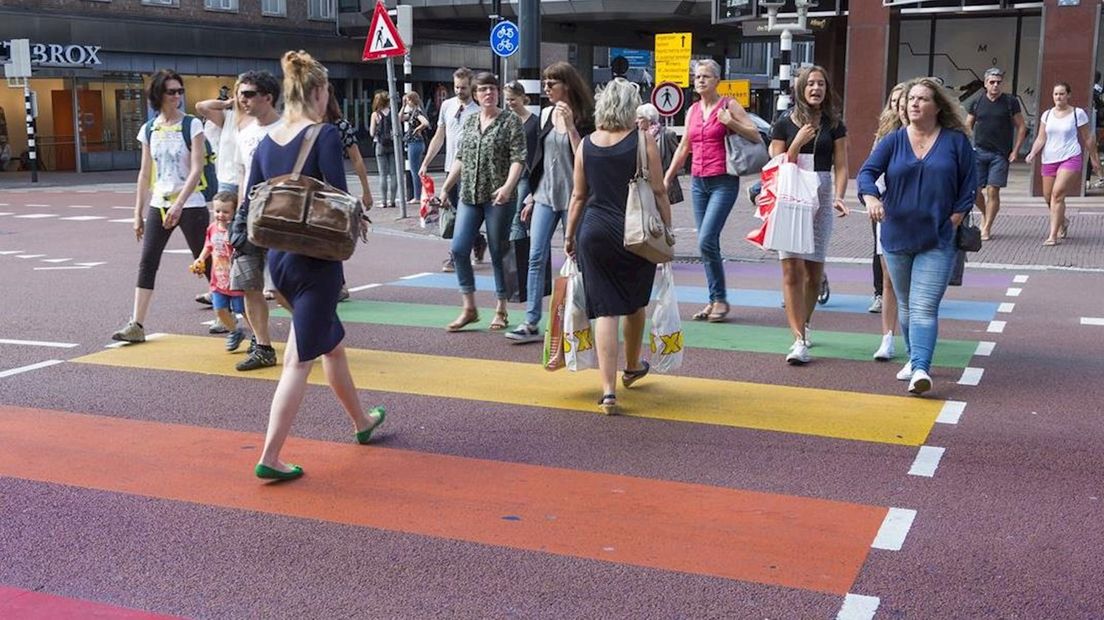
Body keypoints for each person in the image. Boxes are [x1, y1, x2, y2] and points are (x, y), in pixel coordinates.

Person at [247, 50, 385, 481]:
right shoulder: (323, 136)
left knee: (331, 344)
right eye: (328, 91)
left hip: (281, 263)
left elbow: (252, 197)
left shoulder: (266, 142)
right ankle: (270, 455)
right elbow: (338, 200)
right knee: (298, 361)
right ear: (319, 91)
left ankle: (362, 422)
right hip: (318, 264)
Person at [858, 77, 977, 396]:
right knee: (908, 305)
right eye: (911, 99)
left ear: (938, 106)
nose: (914, 104)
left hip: (938, 237)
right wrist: (870, 198)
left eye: (922, 99)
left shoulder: (955, 141)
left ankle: (921, 368)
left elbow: (969, 184)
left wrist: (956, 216)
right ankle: (915, 359)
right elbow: (867, 172)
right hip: (896, 236)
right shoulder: (893, 141)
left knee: (924, 305)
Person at [565, 77, 672, 415]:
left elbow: (578, 196)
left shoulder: (585, 144)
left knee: (605, 310)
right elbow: (658, 191)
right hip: (635, 233)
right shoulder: (642, 141)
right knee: (635, 300)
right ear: (630, 108)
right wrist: (667, 229)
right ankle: (632, 365)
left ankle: (608, 392)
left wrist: (569, 236)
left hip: (593, 231)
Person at [111, 69, 209, 343]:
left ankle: (237, 320)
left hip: (190, 203)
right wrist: (137, 214)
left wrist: (179, 205)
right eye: (171, 91)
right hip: (159, 202)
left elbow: (197, 168)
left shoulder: (193, 125)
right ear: (158, 95)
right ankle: (137, 324)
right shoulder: (149, 129)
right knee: (147, 262)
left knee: (208, 263)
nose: (177, 96)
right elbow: (144, 173)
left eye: (180, 91)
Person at [662, 59, 761, 324]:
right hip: (698, 183)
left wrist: (732, 122)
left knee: (705, 239)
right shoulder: (693, 110)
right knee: (709, 244)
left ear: (717, 80)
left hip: (723, 182)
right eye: (697, 77)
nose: (700, 81)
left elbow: (755, 135)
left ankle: (720, 299)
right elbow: (684, 147)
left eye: (706, 76)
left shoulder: (729, 105)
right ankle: (714, 299)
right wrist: (668, 177)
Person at [768, 65, 850, 365]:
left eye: (821, 84)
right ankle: (798, 339)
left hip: (821, 193)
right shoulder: (783, 123)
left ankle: (805, 322)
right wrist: (798, 141)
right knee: (791, 270)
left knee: (813, 271)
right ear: (800, 88)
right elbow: (776, 163)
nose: (816, 89)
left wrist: (839, 196)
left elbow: (841, 165)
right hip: (790, 194)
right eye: (811, 84)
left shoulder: (835, 125)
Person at [507, 63, 593, 343]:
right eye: (544, 83)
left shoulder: (584, 115)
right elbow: (541, 158)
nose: (546, 88)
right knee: (535, 257)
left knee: (577, 257)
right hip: (544, 194)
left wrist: (570, 128)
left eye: (551, 83)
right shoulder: (545, 113)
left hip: (574, 197)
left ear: (566, 85)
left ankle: (579, 318)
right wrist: (531, 194)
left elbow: (585, 155)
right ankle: (531, 321)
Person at [436, 72, 526, 332]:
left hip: (498, 197)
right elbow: (461, 158)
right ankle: (469, 307)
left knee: (498, 251)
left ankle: (501, 308)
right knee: (459, 248)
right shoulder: (471, 121)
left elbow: (518, 158)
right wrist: (445, 189)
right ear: (475, 95)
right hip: (469, 196)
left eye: (493, 89)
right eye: (484, 89)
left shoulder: (510, 121)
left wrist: (508, 187)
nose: (489, 93)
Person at [228, 70, 284, 372]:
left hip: (281, 217)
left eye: (248, 94)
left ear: (268, 96)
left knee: (282, 287)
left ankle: (316, 336)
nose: (242, 99)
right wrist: (237, 215)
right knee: (248, 283)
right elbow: (241, 175)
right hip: (249, 216)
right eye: (240, 93)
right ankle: (263, 346)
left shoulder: (288, 129)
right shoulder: (244, 132)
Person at [419, 67, 483, 272]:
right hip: (450, 167)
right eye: (456, 87)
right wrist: (426, 161)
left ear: (471, 86)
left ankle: (456, 255)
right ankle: (478, 240)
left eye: (463, 88)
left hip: (470, 170)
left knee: (464, 213)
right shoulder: (447, 106)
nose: (459, 91)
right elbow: (440, 136)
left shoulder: (479, 111)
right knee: (453, 212)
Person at [1026, 81, 1102, 245]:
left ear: (1068, 95)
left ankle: (1053, 235)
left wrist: (1094, 159)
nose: (1058, 97)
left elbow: (1088, 137)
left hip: (1071, 157)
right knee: (1048, 197)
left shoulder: (1078, 113)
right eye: (1056, 94)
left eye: (1062, 93)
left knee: (1057, 194)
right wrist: (1033, 153)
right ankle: (1063, 221)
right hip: (1049, 159)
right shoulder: (1047, 115)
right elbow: (1041, 137)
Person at [869, 83, 908, 362]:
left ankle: (915, 341)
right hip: (888, 210)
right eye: (895, 102)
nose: (901, 107)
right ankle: (887, 339)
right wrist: (871, 198)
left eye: (904, 101)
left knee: (914, 283)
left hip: (921, 215)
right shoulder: (886, 137)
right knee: (889, 279)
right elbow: (869, 172)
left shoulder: (934, 136)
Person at [966, 67, 1026, 241]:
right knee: (975, 191)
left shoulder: (1010, 102)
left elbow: (1021, 126)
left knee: (993, 190)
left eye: (998, 82)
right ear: (985, 84)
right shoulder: (976, 102)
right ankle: (986, 213)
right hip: (979, 152)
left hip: (1000, 154)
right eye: (992, 82)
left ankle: (987, 227)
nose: (995, 85)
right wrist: (966, 148)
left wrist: (1016, 150)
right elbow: (967, 126)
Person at [190, 192, 247, 351]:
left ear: (234, 212)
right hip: (218, 277)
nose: (220, 215)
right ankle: (234, 331)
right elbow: (209, 246)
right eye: (217, 211)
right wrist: (200, 259)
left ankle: (257, 335)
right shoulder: (212, 228)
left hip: (235, 278)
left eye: (225, 212)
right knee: (220, 309)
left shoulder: (236, 229)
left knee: (242, 309)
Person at [326, 85, 373, 212]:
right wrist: (366, 191)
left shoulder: (340, 126)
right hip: (329, 190)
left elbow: (357, 159)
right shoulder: (340, 126)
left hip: (331, 189)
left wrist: (366, 191)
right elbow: (357, 159)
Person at [636, 103, 682, 205]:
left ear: (648, 119)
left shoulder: (667, 135)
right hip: (644, 184)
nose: (636, 121)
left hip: (661, 183)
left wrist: (669, 178)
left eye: (639, 118)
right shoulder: (639, 137)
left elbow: (679, 159)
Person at [369, 91, 398, 209]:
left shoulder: (375, 115)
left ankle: (384, 201)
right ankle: (392, 201)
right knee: (394, 174)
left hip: (380, 145)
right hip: (393, 145)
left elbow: (371, 133)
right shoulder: (393, 113)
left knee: (383, 175)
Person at [400, 91, 431, 203]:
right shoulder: (413, 112)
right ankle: (419, 194)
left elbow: (426, 123)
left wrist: (418, 129)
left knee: (414, 170)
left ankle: (417, 196)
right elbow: (399, 119)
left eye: (408, 100)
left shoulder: (417, 112)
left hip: (415, 143)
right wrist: (403, 106)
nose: (407, 102)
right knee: (416, 169)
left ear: (412, 100)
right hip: (416, 143)